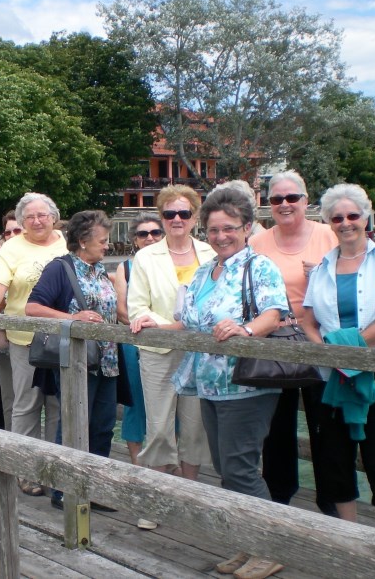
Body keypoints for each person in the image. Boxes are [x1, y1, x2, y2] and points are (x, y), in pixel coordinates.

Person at [132, 185, 287, 579]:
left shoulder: (259, 266)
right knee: (225, 465)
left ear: (247, 227)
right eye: (215, 229)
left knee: (241, 466)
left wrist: (247, 331)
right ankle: (247, 543)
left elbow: (273, 314)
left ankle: (270, 547)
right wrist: (159, 324)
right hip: (208, 382)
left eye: (230, 228)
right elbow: (189, 322)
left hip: (246, 382)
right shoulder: (204, 271)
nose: (221, 236)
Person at [300, 183, 375, 534]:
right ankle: (350, 533)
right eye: (337, 217)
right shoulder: (322, 269)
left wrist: (348, 350)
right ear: (330, 222)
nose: (346, 223)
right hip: (334, 375)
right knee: (334, 455)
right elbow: (308, 320)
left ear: (366, 215)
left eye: (352, 215)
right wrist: (328, 352)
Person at [249, 171, 338, 515]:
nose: (284, 205)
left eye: (292, 198)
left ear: (305, 200)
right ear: (268, 204)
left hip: (320, 342)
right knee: (277, 429)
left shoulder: (329, 235)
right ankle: (280, 501)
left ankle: (331, 503)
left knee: (325, 426)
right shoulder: (257, 243)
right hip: (276, 345)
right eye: (276, 199)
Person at [26, 210, 121, 510]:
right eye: (103, 241)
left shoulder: (99, 270)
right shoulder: (60, 268)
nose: (107, 246)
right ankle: (63, 488)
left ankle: (96, 489)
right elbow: (32, 308)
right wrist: (72, 318)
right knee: (73, 424)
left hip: (106, 360)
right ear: (83, 241)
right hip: (76, 361)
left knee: (103, 425)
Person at [0, 193, 66, 497]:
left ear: (53, 216)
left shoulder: (66, 242)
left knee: (58, 403)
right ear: (22, 221)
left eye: (42, 215)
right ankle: (25, 468)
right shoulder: (12, 247)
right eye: (29, 217)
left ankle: (55, 467)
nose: (37, 221)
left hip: (63, 338)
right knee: (26, 403)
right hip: (25, 338)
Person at [126, 185, 214, 481]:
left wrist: (172, 325)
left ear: (195, 216)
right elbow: (137, 308)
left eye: (184, 213)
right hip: (158, 353)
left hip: (199, 352)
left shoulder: (210, 253)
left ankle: (190, 490)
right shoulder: (145, 257)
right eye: (170, 213)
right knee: (159, 425)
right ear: (162, 218)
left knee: (194, 425)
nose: (177, 219)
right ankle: (156, 492)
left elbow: (216, 303)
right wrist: (167, 327)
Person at [114, 212, 164, 466]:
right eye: (143, 234)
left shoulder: (172, 266)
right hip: (134, 341)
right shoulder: (125, 268)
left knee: (170, 403)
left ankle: (168, 460)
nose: (150, 238)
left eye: (156, 233)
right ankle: (137, 461)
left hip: (169, 341)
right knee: (135, 401)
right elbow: (122, 311)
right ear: (135, 239)